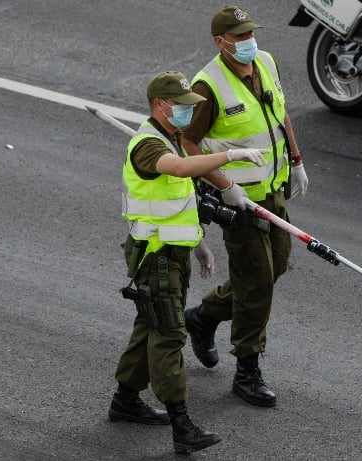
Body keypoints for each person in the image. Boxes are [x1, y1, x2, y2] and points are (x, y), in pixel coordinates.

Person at [109, 70, 266, 454]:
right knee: (169, 335)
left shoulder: (173, 139)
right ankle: (182, 425)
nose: (187, 112)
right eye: (181, 105)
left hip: (172, 252)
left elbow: (178, 201)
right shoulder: (149, 145)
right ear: (159, 105)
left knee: (151, 326)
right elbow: (179, 170)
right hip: (156, 257)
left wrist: (199, 245)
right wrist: (230, 156)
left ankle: (125, 400)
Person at [181, 6, 309, 408]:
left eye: (250, 33)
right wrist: (225, 185)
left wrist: (297, 160)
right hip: (240, 200)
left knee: (277, 266)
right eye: (239, 36)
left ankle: (203, 316)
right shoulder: (207, 86)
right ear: (220, 42)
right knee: (256, 281)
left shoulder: (264, 62)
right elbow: (188, 144)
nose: (248, 41)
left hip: (274, 189)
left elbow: (279, 113)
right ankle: (247, 369)